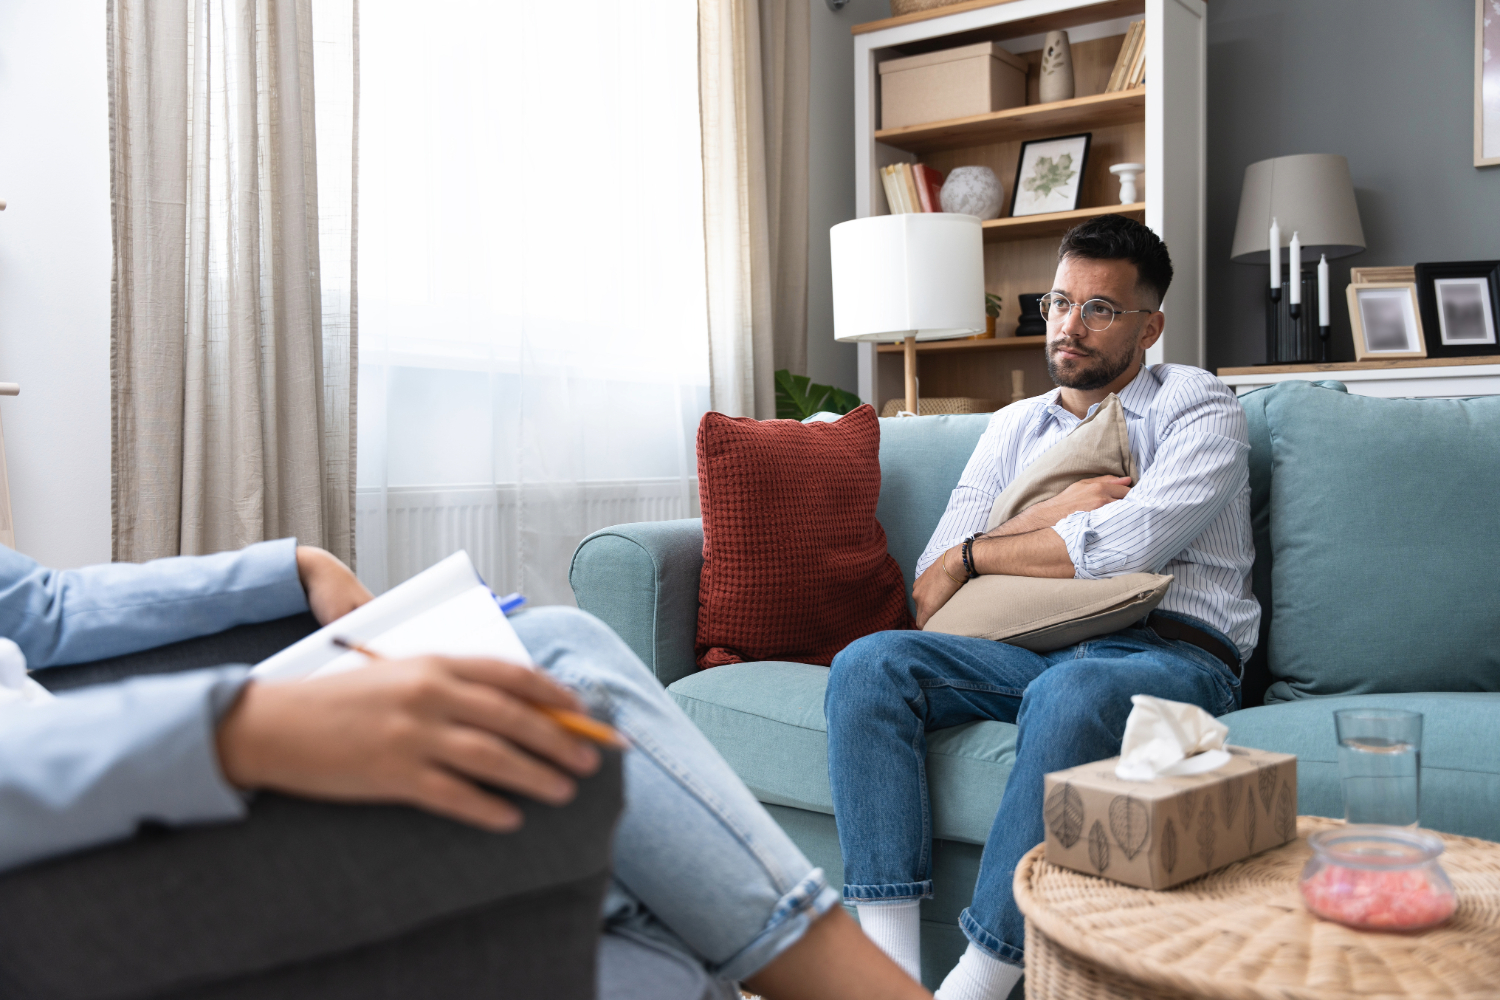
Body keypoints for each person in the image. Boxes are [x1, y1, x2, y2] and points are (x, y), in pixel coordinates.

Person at [0, 539, 929, 1000]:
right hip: (63, 843)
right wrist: (230, 726)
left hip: (124, 771)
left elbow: (38, 609)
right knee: (558, 670)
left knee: (635, 925)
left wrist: (291, 567)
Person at [825, 215, 1258, 1000]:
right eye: (1060, 302)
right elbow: (933, 579)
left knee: (1074, 690)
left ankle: (978, 984)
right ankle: (881, 980)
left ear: (1150, 326)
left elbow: (1124, 548)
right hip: (1029, 645)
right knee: (870, 662)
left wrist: (987, 550)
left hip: (1168, 651)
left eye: (1100, 309)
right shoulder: (1013, 427)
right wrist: (1044, 520)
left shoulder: (1199, 405)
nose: (1069, 325)